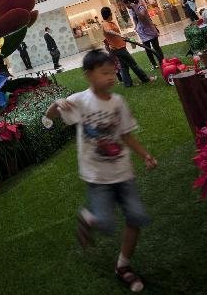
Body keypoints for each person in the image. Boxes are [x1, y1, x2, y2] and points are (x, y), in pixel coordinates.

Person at [45, 49, 157, 292]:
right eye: (104, 73)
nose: (111, 77)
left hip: (123, 172)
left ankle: (123, 265)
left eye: (113, 72)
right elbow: (50, 116)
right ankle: (89, 218)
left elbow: (126, 134)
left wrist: (145, 154)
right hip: (97, 176)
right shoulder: (81, 101)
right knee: (105, 223)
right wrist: (56, 105)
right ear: (89, 75)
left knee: (135, 218)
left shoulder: (118, 102)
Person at [100, 6, 149, 86]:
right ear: (109, 14)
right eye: (111, 13)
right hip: (118, 49)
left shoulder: (110, 23)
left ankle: (127, 83)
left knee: (124, 66)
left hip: (119, 47)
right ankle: (146, 79)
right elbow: (108, 31)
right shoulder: (105, 24)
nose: (112, 15)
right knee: (133, 64)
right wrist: (119, 35)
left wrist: (122, 37)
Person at [124, 0, 164, 72]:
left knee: (156, 47)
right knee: (148, 49)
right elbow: (135, 19)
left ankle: (162, 62)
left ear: (129, 2)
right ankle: (154, 65)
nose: (127, 7)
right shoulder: (130, 10)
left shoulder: (140, 6)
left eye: (126, 5)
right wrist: (136, 27)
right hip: (142, 32)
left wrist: (135, 8)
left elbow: (142, 17)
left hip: (150, 29)